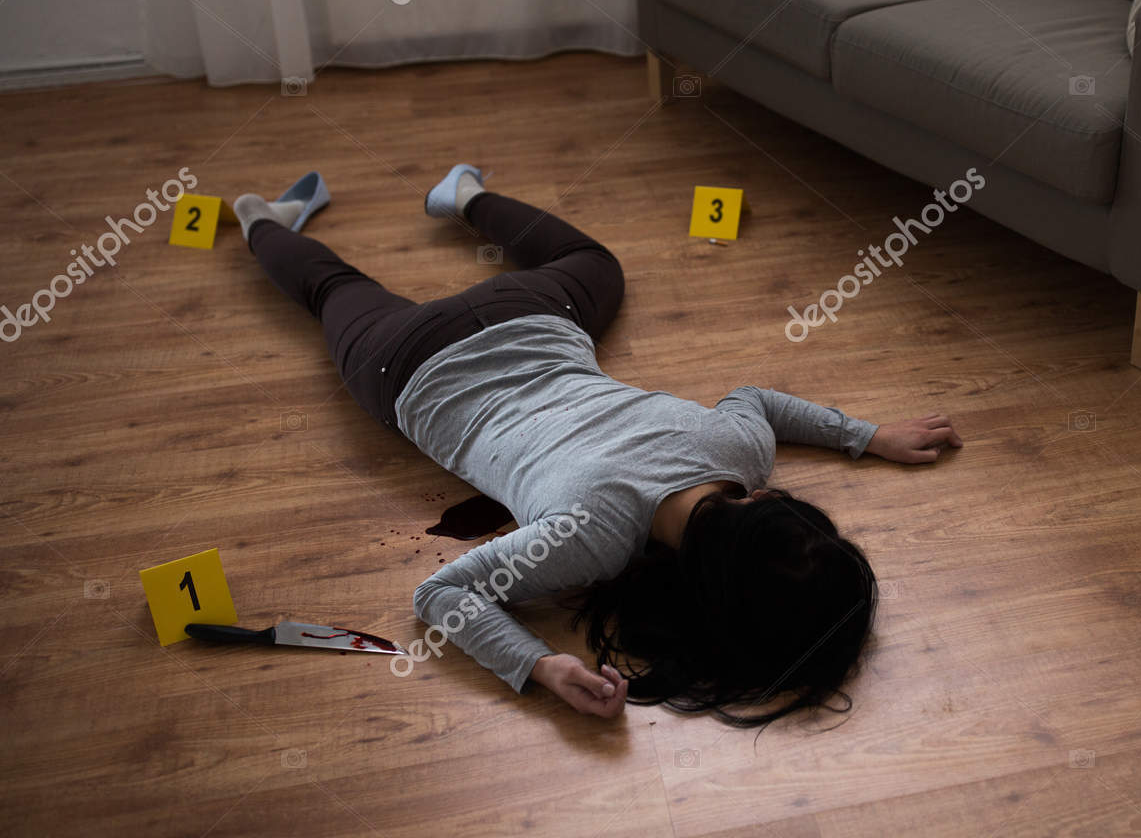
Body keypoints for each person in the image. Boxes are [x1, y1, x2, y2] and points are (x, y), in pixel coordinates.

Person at [232, 165, 962, 723]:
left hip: (525, 314)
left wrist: (866, 435)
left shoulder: (738, 451)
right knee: (329, 289)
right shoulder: (589, 544)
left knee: (594, 261)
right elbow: (438, 593)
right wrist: (539, 664)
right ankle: (260, 220)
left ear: (767, 498)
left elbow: (758, 397)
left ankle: (463, 196)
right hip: (406, 364)